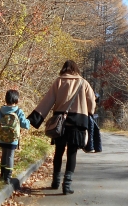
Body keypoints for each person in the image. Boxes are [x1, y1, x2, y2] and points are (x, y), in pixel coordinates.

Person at [28, 60, 96, 195]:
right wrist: (90, 112)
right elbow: (91, 103)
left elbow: (48, 100)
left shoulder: (58, 81)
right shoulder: (84, 83)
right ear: (76, 69)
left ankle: (55, 181)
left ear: (63, 69)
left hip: (60, 122)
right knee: (72, 152)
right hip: (78, 122)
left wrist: (35, 118)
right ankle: (67, 184)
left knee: (59, 151)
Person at [0, 89, 30, 183]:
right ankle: (8, 177)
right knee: (10, 156)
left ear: (6, 99)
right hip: (13, 139)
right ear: (17, 100)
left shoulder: (1, 111)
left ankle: (2, 173)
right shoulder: (18, 111)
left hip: (2, 138)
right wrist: (28, 122)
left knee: (4, 155)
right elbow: (25, 124)